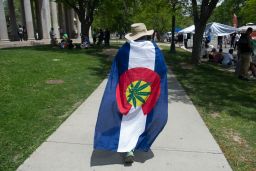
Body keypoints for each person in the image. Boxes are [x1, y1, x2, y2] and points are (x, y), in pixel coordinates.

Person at [94, 23, 168, 164]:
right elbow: (161, 69)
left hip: (128, 91)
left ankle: (128, 148)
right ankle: (133, 146)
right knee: (142, 118)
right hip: (146, 91)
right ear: (146, 34)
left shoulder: (125, 50)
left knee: (127, 118)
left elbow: (118, 69)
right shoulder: (154, 49)